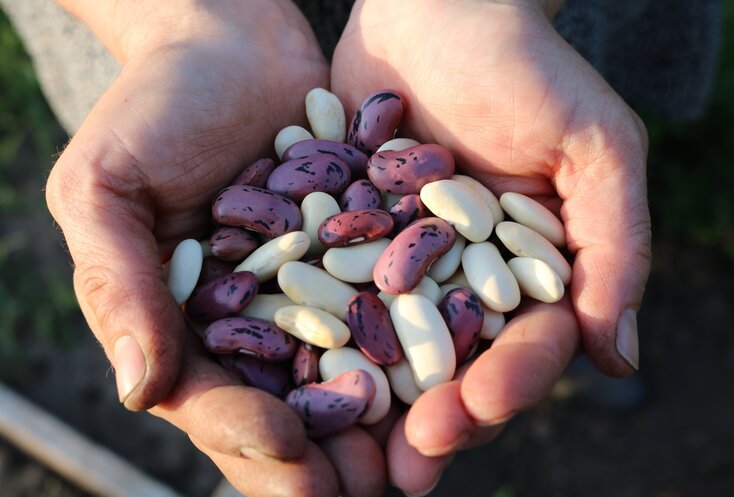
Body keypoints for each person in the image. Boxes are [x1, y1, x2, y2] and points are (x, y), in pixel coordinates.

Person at [0, 0, 720, 495]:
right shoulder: (303, 214)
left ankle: (584, 354)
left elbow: (386, 252)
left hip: (506, 45)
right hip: (172, 44)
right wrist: (179, 19)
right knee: (399, 401)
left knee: (565, 285)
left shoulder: (386, 203)